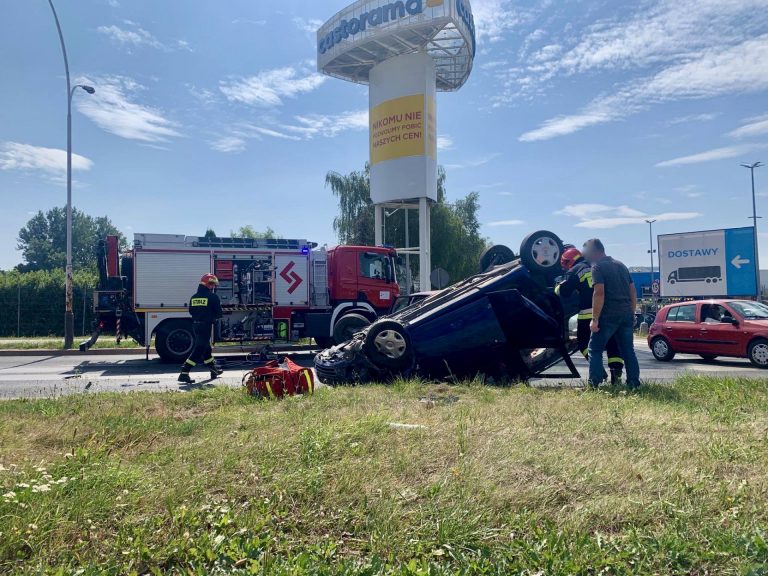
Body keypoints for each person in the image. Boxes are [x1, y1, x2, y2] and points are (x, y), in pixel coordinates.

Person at [555, 246, 624, 384]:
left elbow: (564, 292)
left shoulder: (575, 270)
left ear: (568, 262)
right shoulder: (600, 266)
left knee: (584, 344)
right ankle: (616, 380)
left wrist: (557, 285)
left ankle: (598, 371)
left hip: (588, 315)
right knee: (613, 345)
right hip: (610, 313)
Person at [582, 239, 641, 389]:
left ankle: (594, 384)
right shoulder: (621, 265)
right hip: (626, 314)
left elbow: (599, 293)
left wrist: (594, 319)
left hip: (608, 315)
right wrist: (632, 312)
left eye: (587, 253)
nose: (585, 256)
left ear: (595, 252)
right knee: (628, 351)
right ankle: (633, 383)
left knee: (594, 349)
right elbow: (633, 291)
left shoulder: (597, 267)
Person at [178, 273, 224, 383]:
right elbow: (219, 314)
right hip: (205, 326)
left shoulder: (194, 297)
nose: (213, 287)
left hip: (195, 325)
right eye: (212, 284)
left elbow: (191, 311)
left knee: (206, 348)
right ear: (208, 284)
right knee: (199, 349)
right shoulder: (213, 297)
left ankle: (214, 370)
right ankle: (184, 372)